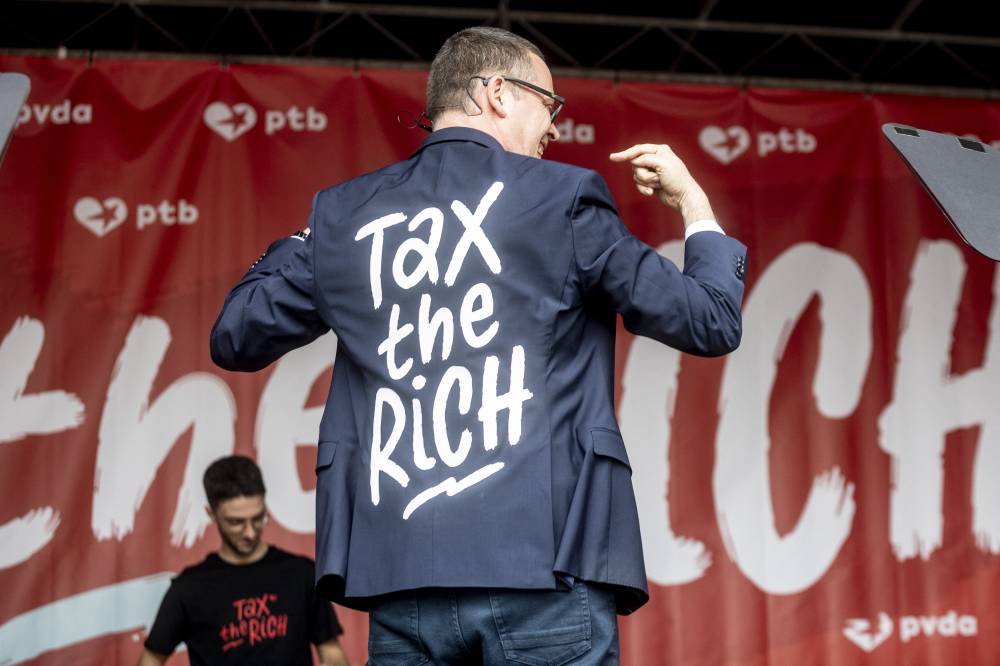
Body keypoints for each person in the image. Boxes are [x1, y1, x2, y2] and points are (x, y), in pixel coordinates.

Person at [210, 26, 746, 665]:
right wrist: (694, 203)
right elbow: (710, 319)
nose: (554, 127)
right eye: (548, 103)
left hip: (401, 581)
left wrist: (315, 236)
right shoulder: (565, 199)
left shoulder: (345, 214)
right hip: (544, 571)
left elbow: (236, 332)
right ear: (497, 92)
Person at [138, 456, 349, 666]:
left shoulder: (302, 574)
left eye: (258, 518)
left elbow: (332, 653)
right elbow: (151, 659)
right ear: (211, 514)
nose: (250, 532)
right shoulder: (188, 588)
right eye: (236, 522)